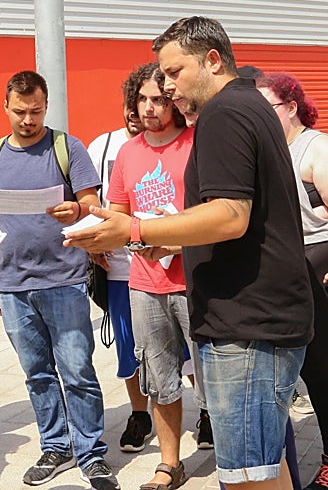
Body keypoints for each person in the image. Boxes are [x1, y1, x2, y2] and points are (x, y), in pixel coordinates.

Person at [66, 16, 313, 490]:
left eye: (175, 72)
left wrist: (134, 227)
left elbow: (231, 214)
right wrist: (174, 240)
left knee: (246, 478)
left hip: (247, 326)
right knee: (264, 468)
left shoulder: (224, 113)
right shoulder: (249, 104)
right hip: (259, 320)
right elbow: (247, 220)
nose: (168, 86)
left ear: (213, 60)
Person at [0, 70, 119, 490]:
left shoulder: (67, 148)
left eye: (35, 111)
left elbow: (92, 204)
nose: (27, 120)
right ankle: (55, 446)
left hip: (64, 279)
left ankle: (91, 454)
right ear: (6, 108)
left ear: (46, 106)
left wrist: (75, 211)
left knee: (77, 370)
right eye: (19, 112)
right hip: (14, 284)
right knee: (37, 373)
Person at [257, 72, 328, 490]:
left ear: (291, 106)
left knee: (326, 370)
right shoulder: (265, 147)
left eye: (267, 109)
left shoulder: (315, 146)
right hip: (279, 270)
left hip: (320, 265)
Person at [107, 62, 209, 490]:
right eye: (142, 99)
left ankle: (237, 455)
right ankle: (169, 463)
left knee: (215, 373)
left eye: (159, 99)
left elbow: (216, 213)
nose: (149, 108)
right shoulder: (128, 153)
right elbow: (118, 213)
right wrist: (129, 239)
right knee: (160, 377)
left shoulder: (197, 143)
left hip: (197, 280)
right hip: (145, 283)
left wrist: (178, 242)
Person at [87, 70, 152, 455]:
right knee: (129, 346)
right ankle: (139, 414)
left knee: (184, 348)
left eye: (143, 102)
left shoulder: (169, 145)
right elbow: (89, 199)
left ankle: (207, 411)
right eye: (130, 103)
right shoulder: (103, 146)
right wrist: (92, 243)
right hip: (120, 269)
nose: (135, 111)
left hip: (167, 266)